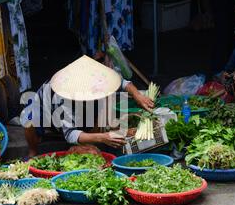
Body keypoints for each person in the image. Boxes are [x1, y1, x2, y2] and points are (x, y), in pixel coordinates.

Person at [21, 55, 155, 157]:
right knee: (29, 120)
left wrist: (138, 96)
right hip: (46, 114)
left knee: (102, 104)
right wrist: (104, 137)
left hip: (77, 113)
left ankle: (90, 141)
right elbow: (70, 134)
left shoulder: (99, 77)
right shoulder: (63, 96)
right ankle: (32, 152)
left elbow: (123, 83)